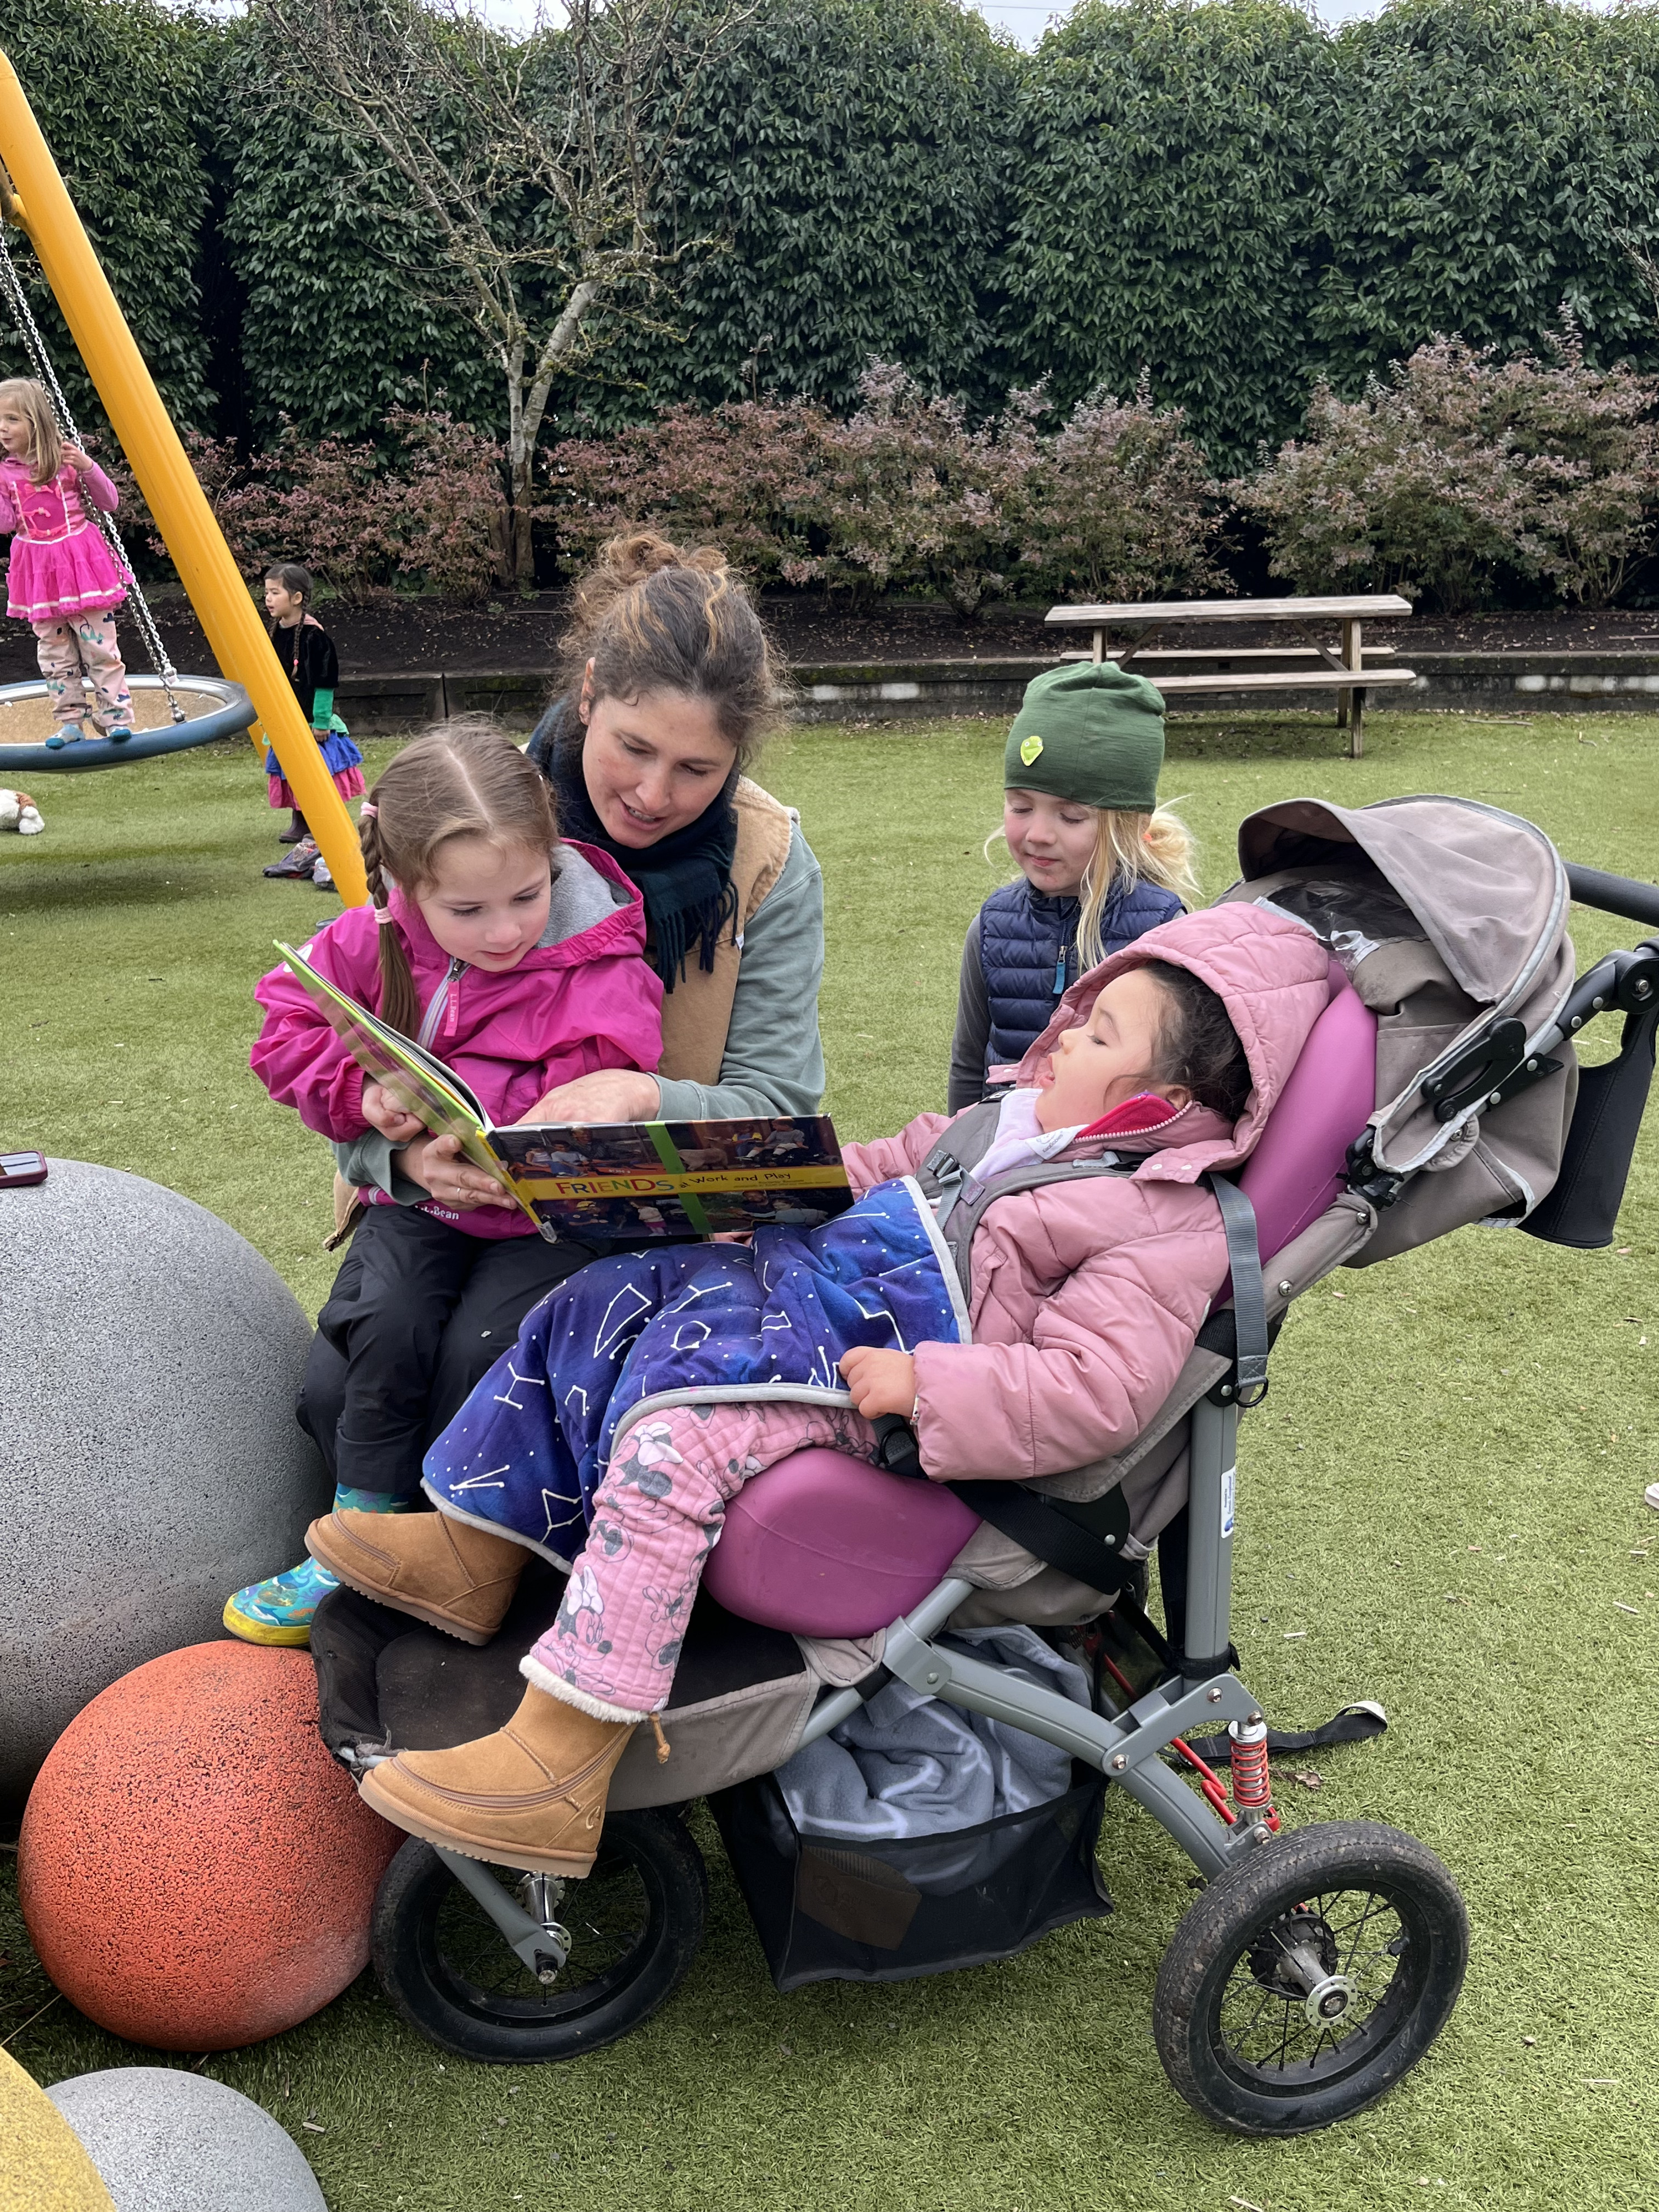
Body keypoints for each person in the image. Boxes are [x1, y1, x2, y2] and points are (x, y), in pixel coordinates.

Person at [305, 901, 1331, 1874]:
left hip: (887, 1383)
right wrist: (761, 1189)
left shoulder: (1156, 1220)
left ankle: (564, 1753)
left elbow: (1091, 1389)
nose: (1062, 1037)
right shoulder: (1011, 1121)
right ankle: (479, 1550)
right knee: (601, 1297)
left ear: (1162, 1105)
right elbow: (885, 1166)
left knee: (682, 1438)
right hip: (813, 1294)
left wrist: (928, 1385)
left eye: (1098, 1035)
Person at [292, 529, 827, 1491]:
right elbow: (362, 1036)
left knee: (484, 1368)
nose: (652, 794)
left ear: (737, 757)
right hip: (429, 1205)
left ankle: (462, 1571)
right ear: (588, 695)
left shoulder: (769, 862)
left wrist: (641, 1097)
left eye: (697, 769)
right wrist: (400, 1160)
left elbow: (780, 1110)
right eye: (633, 748)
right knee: (341, 1395)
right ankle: (369, 1551)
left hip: (641, 1219)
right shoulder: (468, 809)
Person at [223, 719, 664, 1645]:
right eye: (467, 910)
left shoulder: (603, 954)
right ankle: (358, 1530)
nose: (504, 930)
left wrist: (547, 1130)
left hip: (547, 1223)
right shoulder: (369, 940)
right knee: (382, 1324)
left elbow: (618, 1070)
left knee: (483, 1354)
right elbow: (284, 1033)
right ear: (405, 884)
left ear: (552, 858)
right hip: (421, 1202)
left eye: (527, 895)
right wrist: (363, 1100)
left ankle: (459, 1550)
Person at [949, 659, 1198, 1113]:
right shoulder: (992, 925)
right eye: (1021, 807)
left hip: (1106, 1152)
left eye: (1070, 816)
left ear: (1128, 824)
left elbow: (1180, 1083)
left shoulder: (1164, 933)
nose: (1039, 834)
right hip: (1002, 1147)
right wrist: (960, 1143)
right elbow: (969, 1067)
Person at [0, 378, 133, 751]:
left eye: (12, 419)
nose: (2, 428)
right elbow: (6, 523)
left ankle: (115, 717)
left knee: (100, 648)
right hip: (38, 570)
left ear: (36, 422)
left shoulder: (67, 461)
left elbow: (109, 502)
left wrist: (89, 467)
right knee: (54, 653)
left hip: (80, 563)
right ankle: (71, 721)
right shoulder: (5, 473)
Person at [258, 562, 366, 889]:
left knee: (317, 771)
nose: (268, 599)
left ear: (297, 597)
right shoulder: (274, 633)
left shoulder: (315, 637)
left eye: (275, 593)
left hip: (310, 720)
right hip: (286, 718)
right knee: (290, 771)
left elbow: (325, 682)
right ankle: (300, 820)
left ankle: (322, 822)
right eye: (266, 593)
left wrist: (320, 721)